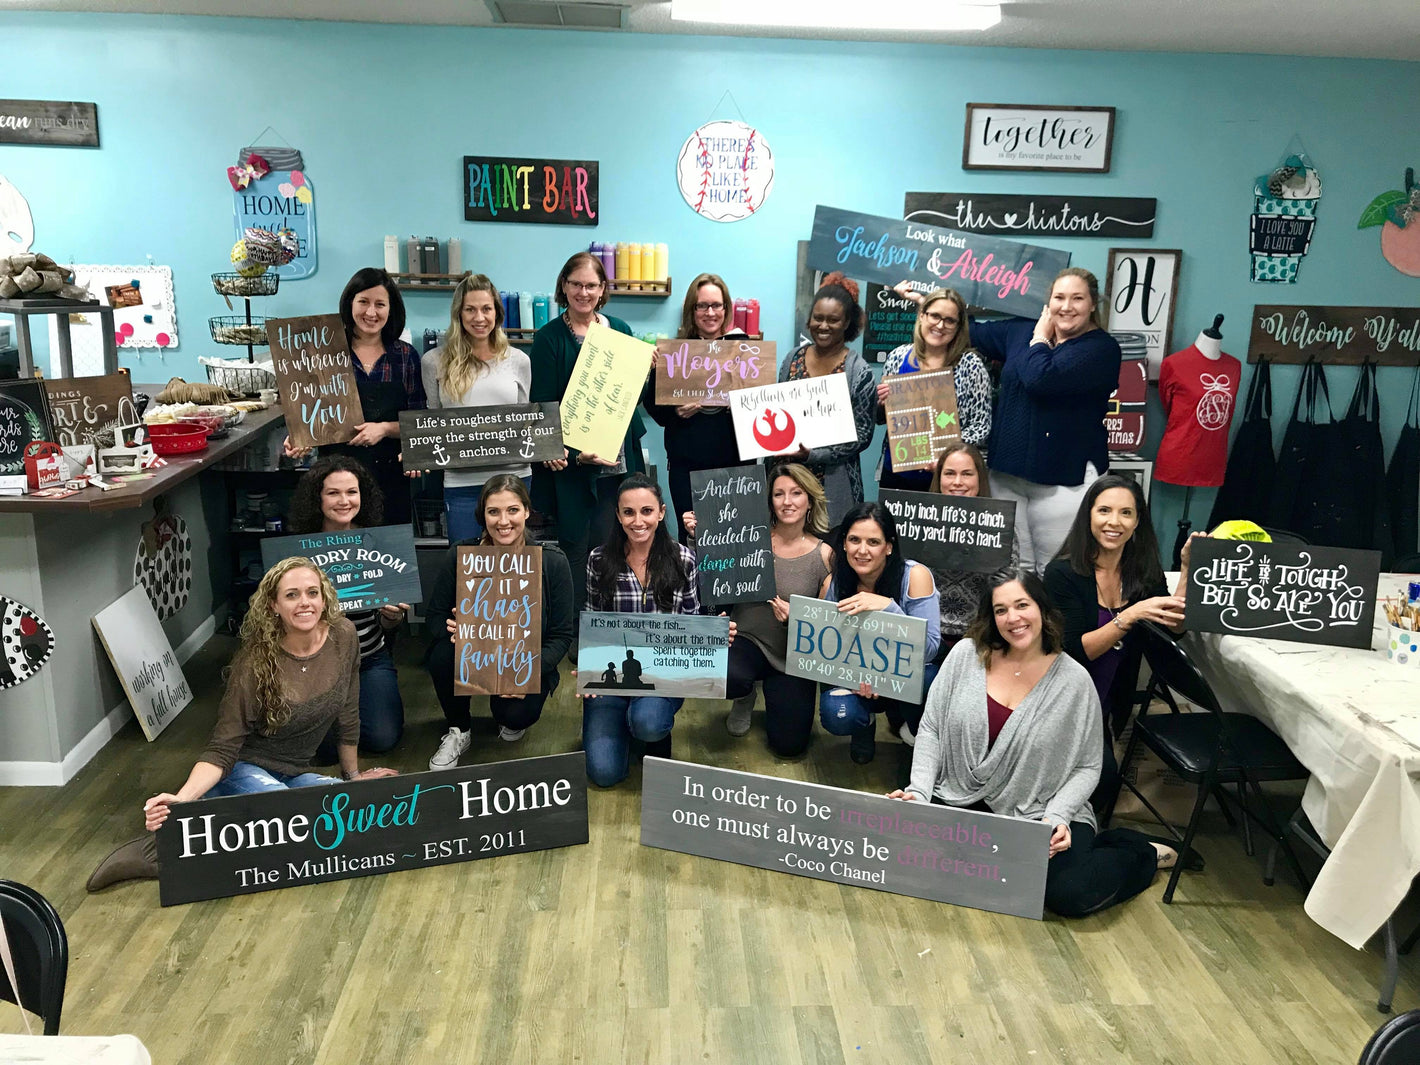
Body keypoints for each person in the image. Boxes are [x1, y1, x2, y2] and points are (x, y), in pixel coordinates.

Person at [85, 558, 397, 891]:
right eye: (292, 595)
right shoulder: (256, 662)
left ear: (324, 598)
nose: (305, 602)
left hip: (293, 772)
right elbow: (223, 748)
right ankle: (162, 847)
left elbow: (348, 711)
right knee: (290, 820)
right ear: (274, 605)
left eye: (312, 593)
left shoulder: (343, 634)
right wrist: (182, 801)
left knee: (365, 809)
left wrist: (353, 778)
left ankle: (223, 822)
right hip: (243, 768)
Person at [887, 570, 1175, 918]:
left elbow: (1088, 766)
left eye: (1022, 605)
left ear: (1042, 609)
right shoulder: (966, 655)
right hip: (962, 795)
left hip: (1040, 810)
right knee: (912, 862)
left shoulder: (1073, 681)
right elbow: (931, 728)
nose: (1013, 618)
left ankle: (1140, 851)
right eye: (1001, 610)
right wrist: (918, 792)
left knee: (1070, 895)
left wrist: (1057, 817)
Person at [900, 268, 1120, 571]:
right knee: (1014, 567)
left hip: (1064, 480)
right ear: (1048, 302)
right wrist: (926, 303)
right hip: (1007, 474)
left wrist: (1040, 338)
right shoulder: (1021, 330)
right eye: (1059, 297)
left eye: (1077, 298)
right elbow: (968, 331)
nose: (1066, 307)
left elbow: (1040, 379)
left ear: (1093, 304)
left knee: (1053, 570)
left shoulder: (1101, 349)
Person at [1043, 474, 1191, 805]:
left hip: (1106, 707)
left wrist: (1187, 570)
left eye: (1126, 513)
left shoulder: (1142, 572)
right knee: (1095, 784)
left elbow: (1173, 629)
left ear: (1138, 521)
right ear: (1089, 516)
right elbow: (1075, 651)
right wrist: (1132, 614)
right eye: (1105, 511)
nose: (1115, 522)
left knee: (1104, 787)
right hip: (1061, 704)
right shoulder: (1062, 574)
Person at [424, 474, 575, 769]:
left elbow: (561, 635)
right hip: (473, 655)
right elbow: (433, 617)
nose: (503, 521)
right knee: (441, 655)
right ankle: (459, 728)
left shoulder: (552, 562)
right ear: (483, 515)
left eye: (512, 510)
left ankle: (508, 712)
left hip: (523, 658)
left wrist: (529, 670)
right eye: (494, 511)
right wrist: (450, 628)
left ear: (527, 512)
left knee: (516, 715)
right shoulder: (461, 555)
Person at [681, 462, 833, 752]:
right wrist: (698, 534)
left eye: (796, 493)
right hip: (747, 639)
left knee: (789, 746)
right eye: (778, 494)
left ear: (810, 500)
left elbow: (828, 625)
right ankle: (745, 693)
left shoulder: (824, 556)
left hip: (792, 655)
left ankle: (777, 697)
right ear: (770, 501)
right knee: (721, 675)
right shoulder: (749, 536)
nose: (787, 502)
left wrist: (797, 616)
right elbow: (713, 570)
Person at [530, 251, 649, 616]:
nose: (584, 292)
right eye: (576, 284)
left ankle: (611, 625)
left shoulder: (621, 331)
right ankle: (579, 631)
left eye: (591, 285)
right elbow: (543, 406)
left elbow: (632, 401)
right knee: (577, 549)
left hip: (616, 462)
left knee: (614, 544)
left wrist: (644, 375)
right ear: (563, 287)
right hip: (574, 465)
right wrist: (576, 454)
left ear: (603, 290)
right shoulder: (549, 338)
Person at [583, 473, 711, 787]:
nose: (638, 521)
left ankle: (647, 725)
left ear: (662, 513)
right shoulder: (598, 560)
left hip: (664, 678)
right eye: (628, 512)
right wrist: (589, 669)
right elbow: (593, 621)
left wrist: (715, 639)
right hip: (611, 679)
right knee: (603, 773)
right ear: (617, 514)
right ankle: (618, 724)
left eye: (647, 511)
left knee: (649, 723)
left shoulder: (684, 559)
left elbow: (692, 622)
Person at [284, 267, 427, 526]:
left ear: (390, 309)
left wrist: (383, 429)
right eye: (363, 302)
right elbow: (311, 414)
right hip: (335, 482)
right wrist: (301, 436)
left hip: (390, 478)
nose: (371, 312)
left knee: (389, 554)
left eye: (380, 304)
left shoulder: (405, 356)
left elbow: (418, 421)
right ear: (350, 303)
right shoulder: (323, 353)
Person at [286, 456, 407, 754]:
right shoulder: (296, 551)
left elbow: (390, 624)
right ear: (318, 498)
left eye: (352, 492)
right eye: (333, 493)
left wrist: (392, 617)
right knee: (322, 750)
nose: (344, 501)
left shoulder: (377, 543)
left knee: (381, 739)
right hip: (313, 663)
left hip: (369, 659)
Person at [817, 501, 940, 765]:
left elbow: (930, 648)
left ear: (889, 546)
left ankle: (916, 728)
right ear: (845, 544)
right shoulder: (837, 581)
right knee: (836, 714)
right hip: (857, 677)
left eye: (873, 542)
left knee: (931, 679)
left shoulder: (915, 575)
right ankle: (865, 723)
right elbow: (826, 649)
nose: (862, 550)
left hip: (903, 678)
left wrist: (888, 607)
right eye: (854, 540)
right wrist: (853, 678)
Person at [421, 273, 532, 542]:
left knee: (513, 565)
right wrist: (418, 451)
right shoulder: (434, 362)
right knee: (466, 564)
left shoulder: (519, 360)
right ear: (458, 314)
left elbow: (526, 420)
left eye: (486, 309)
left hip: (513, 478)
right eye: (470, 309)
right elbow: (433, 423)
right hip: (461, 481)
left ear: (498, 312)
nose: (479, 318)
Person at [644, 272, 753, 540]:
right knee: (692, 539)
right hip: (687, 468)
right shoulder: (674, 353)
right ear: (691, 310)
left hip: (735, 466)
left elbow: (760, 409)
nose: (710, 312)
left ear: (726, 309)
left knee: (736, 541)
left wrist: (740, 404)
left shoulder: (744, 350)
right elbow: (654, 408)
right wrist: (676, 411)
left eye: (716, 305)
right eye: (702, 305)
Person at [777, 273, 877, 528]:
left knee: (830, 554)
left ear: (847, 323)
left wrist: (813, 454)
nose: (823, 326)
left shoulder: (859, 371)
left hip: (833, 484)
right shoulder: (792, 359)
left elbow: (862, 435)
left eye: (833, 320)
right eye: (818, 318)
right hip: (788, 478)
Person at [876, 288, 992, 492]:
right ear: (922, 315)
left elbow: (981, 427)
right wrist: (880, 403)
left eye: (949, 320)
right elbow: (882, 418)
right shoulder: (897, 357)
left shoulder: (971, 365)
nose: (940, 325)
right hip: (897, 473)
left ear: (958, 326)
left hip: (947, 479)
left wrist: (946, 454)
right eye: (935, 316)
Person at [926, 443, 1019, 664]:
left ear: (980, 479)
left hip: (979, 638)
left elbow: (1009, 586)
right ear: (939, 478)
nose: (958, 482)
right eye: (949, 474)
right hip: (927, 636)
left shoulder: (1000, 527)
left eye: (967, 474)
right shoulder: (917, 520)